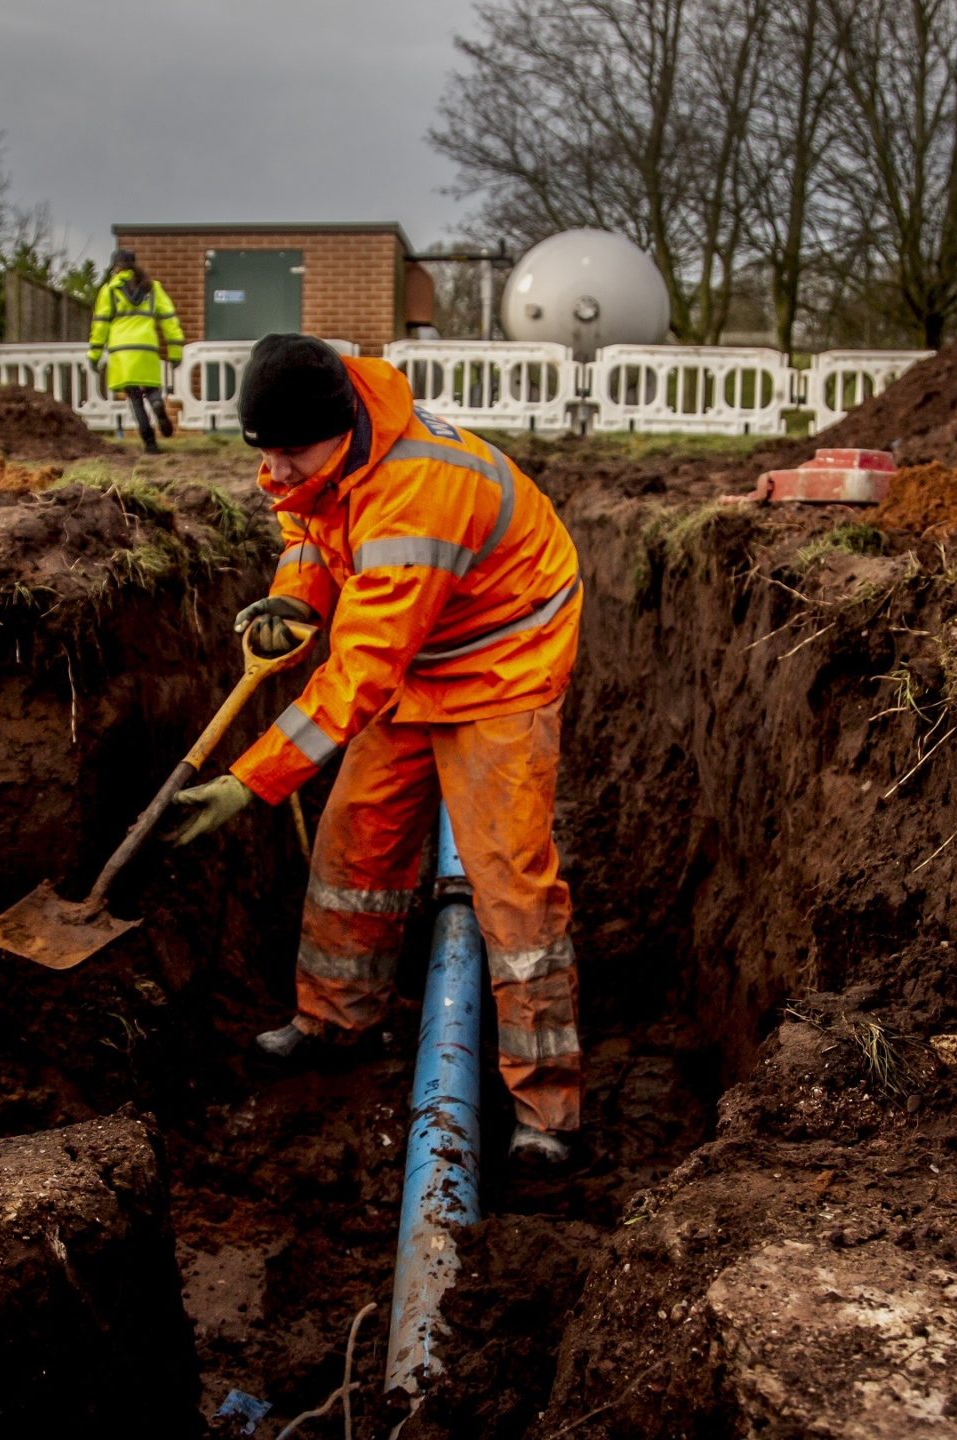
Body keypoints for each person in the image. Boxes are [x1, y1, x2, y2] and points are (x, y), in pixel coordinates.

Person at [165, 334, 586, 1165]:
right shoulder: (333, 454)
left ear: (338, 428)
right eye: (266, 454)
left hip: (502, 662)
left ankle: (546, 1109)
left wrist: (250, 783)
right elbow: (311, 533)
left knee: (508, 884)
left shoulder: (419, 489)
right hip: (416, 655)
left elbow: (359, 672)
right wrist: (294, 599)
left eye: (289, 453)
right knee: (356, 845)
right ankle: (334, 1023)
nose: (277, 474)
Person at [87, 249, 184, 454]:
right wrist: (175, 351)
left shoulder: (109, 290)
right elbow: (169, 320)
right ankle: (157, 403)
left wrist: (95, 353)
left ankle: (150, 443)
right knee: (151, 389)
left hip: (122, 351)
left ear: (115, 267)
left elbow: (101, 324)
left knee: (135, 399)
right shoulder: (152, 288)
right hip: (146, 347)